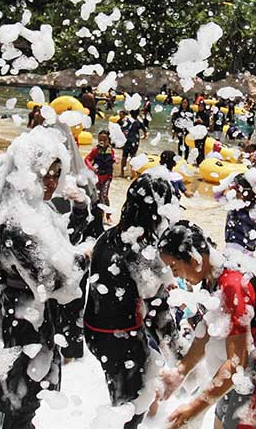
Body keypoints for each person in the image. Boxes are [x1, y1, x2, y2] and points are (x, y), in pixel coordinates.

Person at [0, 128, 94, 429]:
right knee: (20, 403)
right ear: (28, 172)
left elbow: (61, 250)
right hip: (21, 325)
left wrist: (81, 210)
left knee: (22, 404)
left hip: (33, 319)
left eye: (57, 173)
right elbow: (53, 280)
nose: (52, 181)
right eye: (45, 173)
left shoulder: (37, 210)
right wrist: (86, 256)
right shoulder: (15, 222)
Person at [157, 221, 256, 429]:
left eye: (174, 267)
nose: (175, 276)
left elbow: (237, 362)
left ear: (194, 259)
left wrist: (194, 407)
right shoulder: (214, 274)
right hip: (239, 377)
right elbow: (207, 331)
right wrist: (180, 372)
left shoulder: (232, 284)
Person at [83, 172, 180, 429]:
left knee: (124, 402)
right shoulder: (140, 249)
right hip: (121, 338)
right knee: (131, 410)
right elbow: (158, 310)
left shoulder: (109, 236)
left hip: (94, 332)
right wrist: (181, 358)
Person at [213, 168, 256, 253]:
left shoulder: (254, 210)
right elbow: (217, 195)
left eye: (238, 190)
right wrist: (226, 183)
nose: (235, 192)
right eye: (234, 189)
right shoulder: (232, 204)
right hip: (231, 247)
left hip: (245, 251)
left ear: (251, 192)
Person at [85, 129, 116, 224]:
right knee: (97, 196)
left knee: (104, 195)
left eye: (104, 139)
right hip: (97, 176)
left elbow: (112, 160)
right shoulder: (95, 150)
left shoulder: (111, 150)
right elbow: (87, 159)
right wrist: (91, 168)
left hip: (107, 177)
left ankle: (108, 216)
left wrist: (114, 160)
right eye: (100, 139)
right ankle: (99, 215)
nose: (102, 141)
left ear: (109, 140)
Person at [119, 109, 146, 178]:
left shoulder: (127, 120)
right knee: (133, 157)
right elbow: (145, 131)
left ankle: (122, 173)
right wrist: (144, 136)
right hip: (135, 141)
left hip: (127, 141)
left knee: (124, 157)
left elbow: (122, 128)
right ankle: (132, 174)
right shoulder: (139, 121)